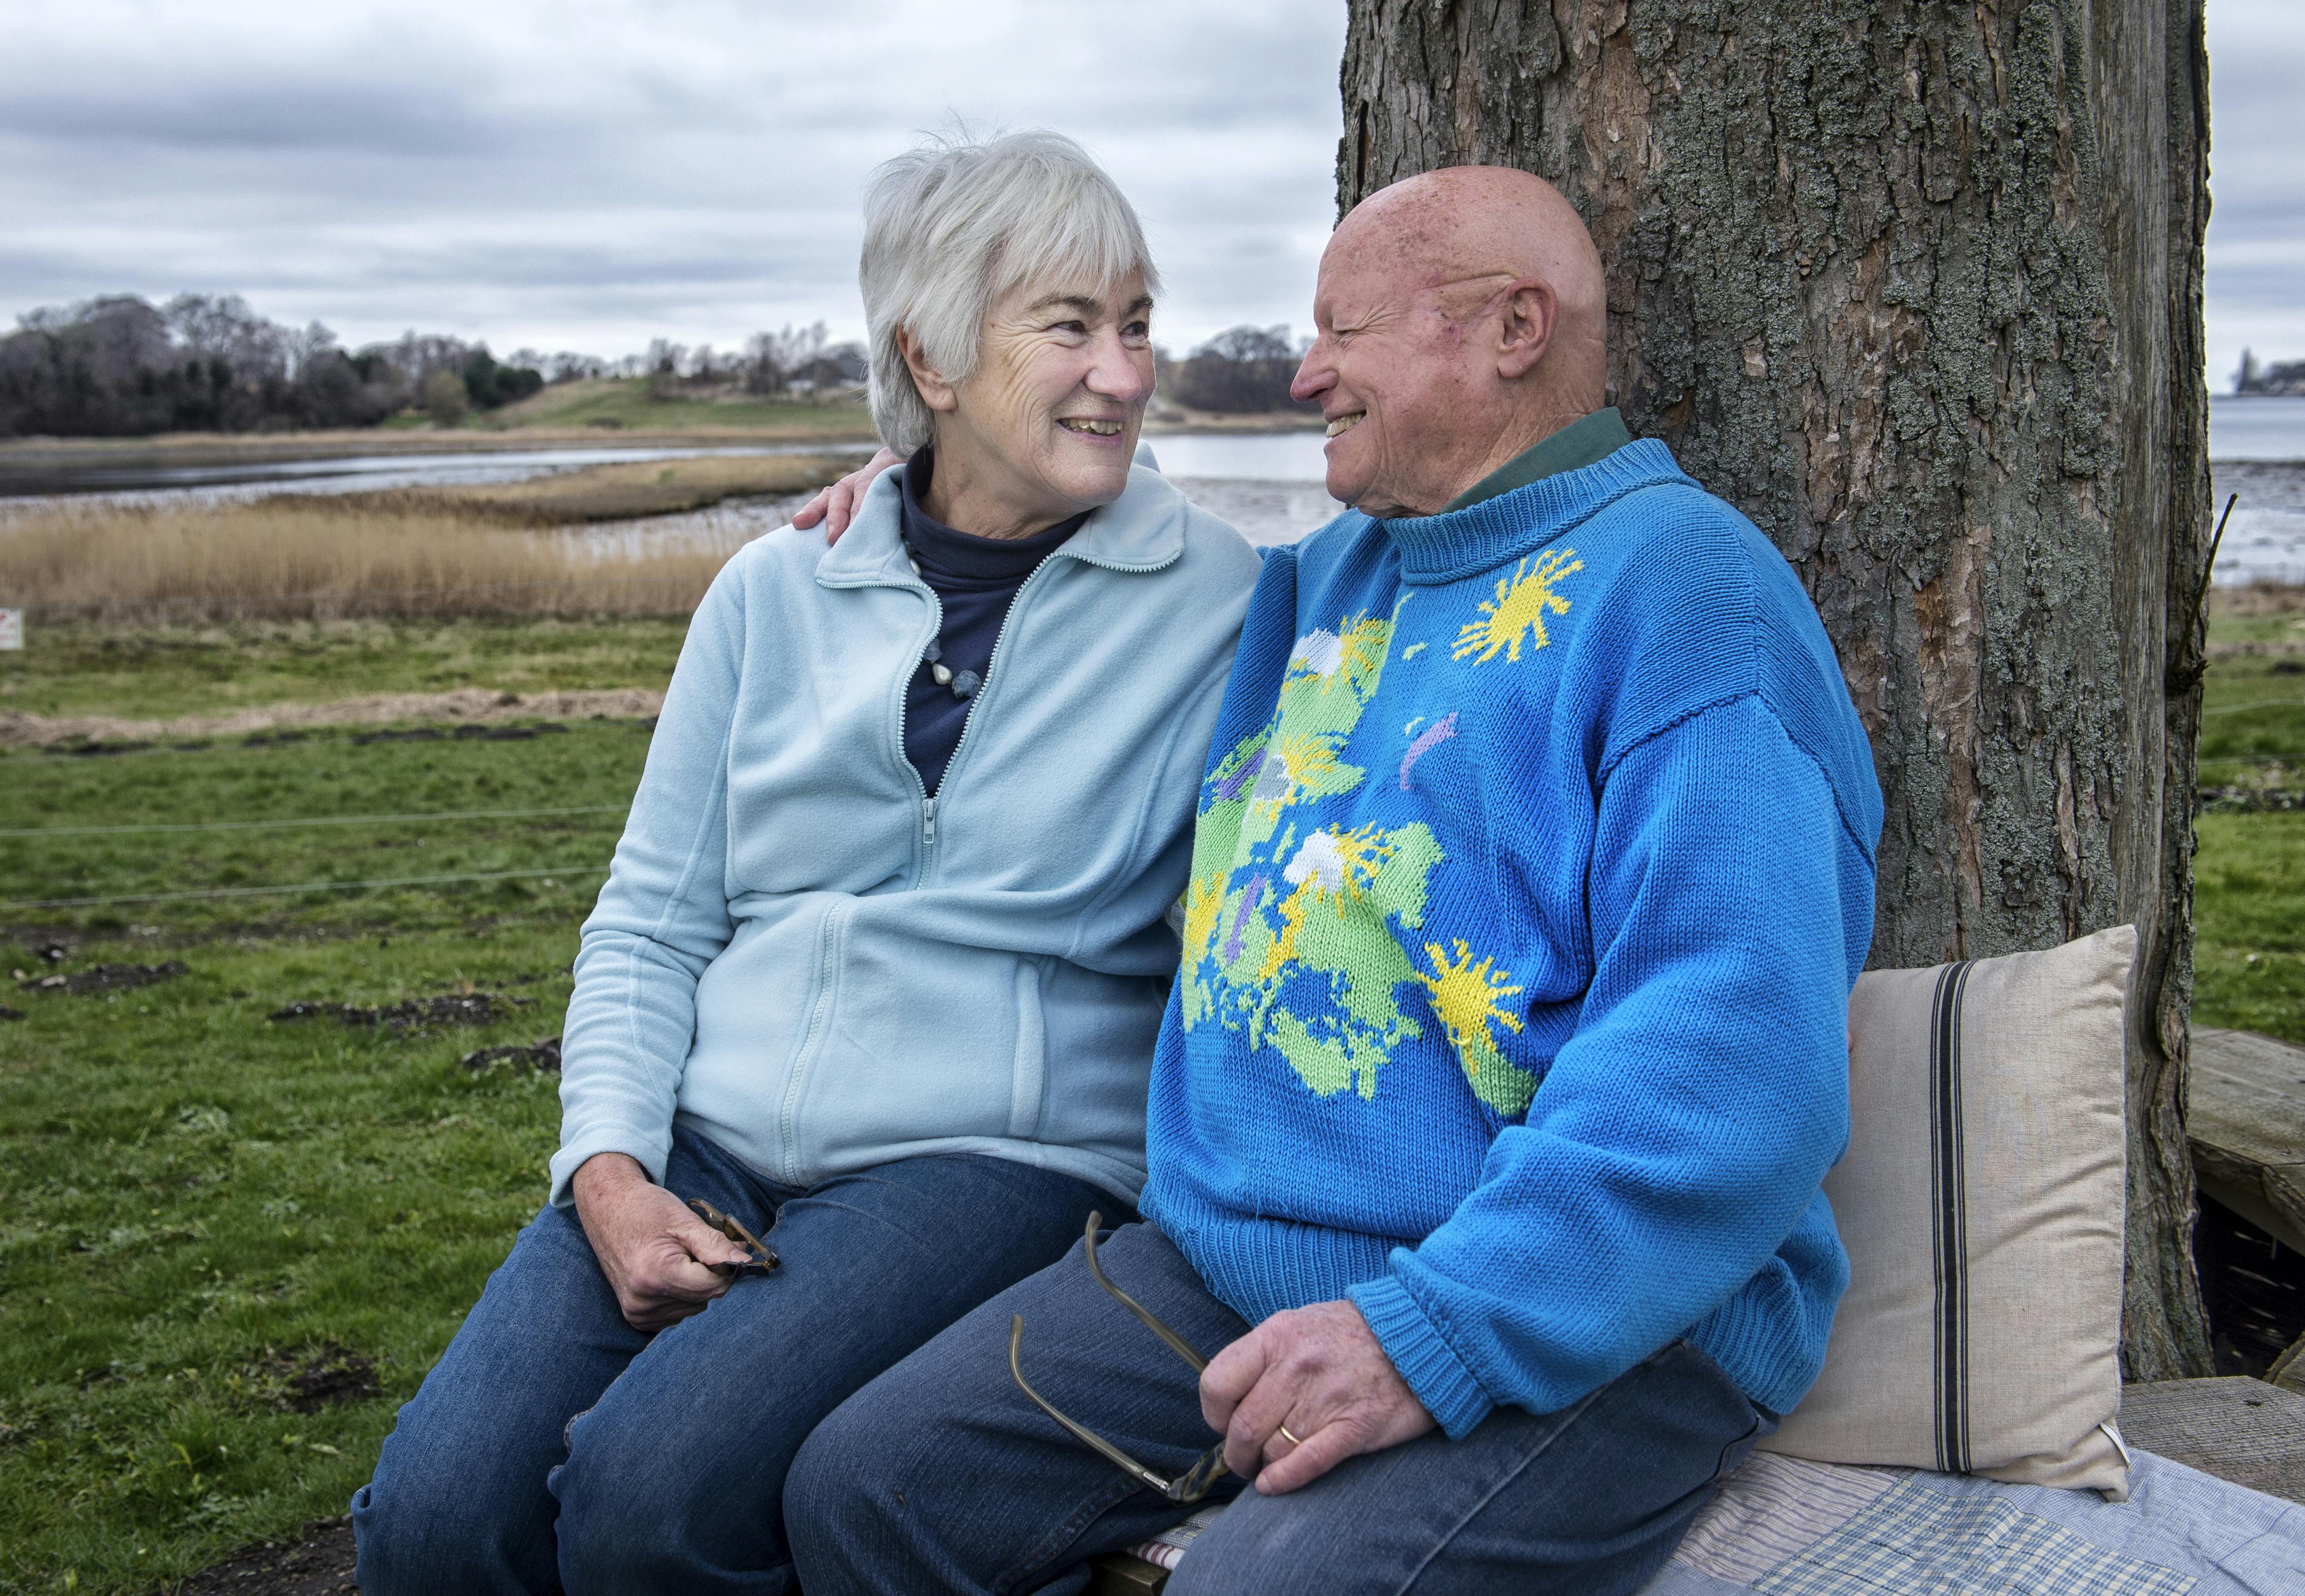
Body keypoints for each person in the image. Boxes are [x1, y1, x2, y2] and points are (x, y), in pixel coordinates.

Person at [781, 166, 1883, 1596]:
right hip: (1225, 1258)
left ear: (1508, 330)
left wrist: (1429, 1334)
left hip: (1580, 1308)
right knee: (866, 1493)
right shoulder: (1327, 580)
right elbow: (1102, 525)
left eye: (1341, 334)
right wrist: (924, 484)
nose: (1305, 375)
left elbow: (1732, 1045)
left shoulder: (1685, 600)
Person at [348, 129, 1262, 1596]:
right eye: (1070, 326)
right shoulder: (773, 589)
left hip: (995, 1156)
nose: (1128, 372)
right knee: (436, 1522)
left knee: (652, 1500)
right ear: (934, 358)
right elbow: (649, 921)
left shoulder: (1226, 600)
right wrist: (609, 1169)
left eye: (1139, 320)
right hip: (711, 1139)